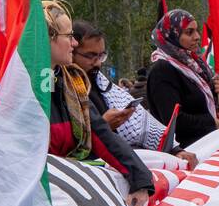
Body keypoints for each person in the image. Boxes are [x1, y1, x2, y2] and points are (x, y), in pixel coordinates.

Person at [0, 0, 153, 206]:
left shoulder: (69, 86)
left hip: (65, 203)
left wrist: (140, 179)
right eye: (69, 36)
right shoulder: (8, 90)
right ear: (47, 40)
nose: (74, 43)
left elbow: (102, 136)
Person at [72, 20, 195, 165]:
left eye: (101, 56)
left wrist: (176, 150)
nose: (98, 63)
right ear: (71, 51)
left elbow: (142, 125)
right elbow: (68, 146)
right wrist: (103, 126)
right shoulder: (63, 90)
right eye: (90, 56)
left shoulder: (101, 84)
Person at [145, 10, 219, 148]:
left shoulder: (196, 66)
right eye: (189, 32)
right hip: (186, 153)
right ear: (173, 35)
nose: (197, 37)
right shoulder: (162, 70)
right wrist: (212, 123)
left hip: (210, 145)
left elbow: (207, 108)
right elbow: (174, 121)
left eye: (196, 31)